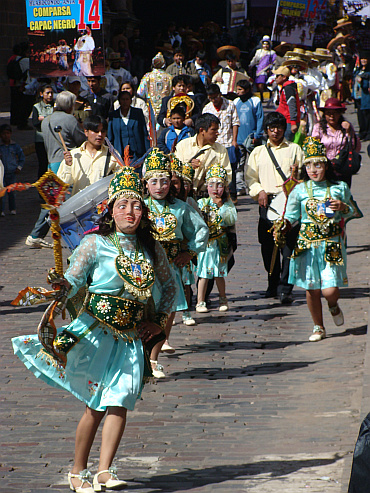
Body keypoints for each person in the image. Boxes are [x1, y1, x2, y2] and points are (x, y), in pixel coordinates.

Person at [12, 166, 177, 492]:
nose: (130, 212)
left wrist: (155, 323)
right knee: (97, 403)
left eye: (137, 206)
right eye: (122, 205)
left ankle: (104, 471)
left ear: (143, 212)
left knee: (121, 401)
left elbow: (170, 288)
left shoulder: (151, 248)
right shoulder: (94, 244)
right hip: (96, 331)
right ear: (111, 210)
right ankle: (78, 470)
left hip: (131, 338)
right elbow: (74, 282)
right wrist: (61, 284)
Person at [143, 148, 208, 378]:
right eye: (154, 181)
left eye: (164, 181)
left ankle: (153, 359)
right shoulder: (139, 207)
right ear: (145, 183)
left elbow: (201, 230)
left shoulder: (181, 209)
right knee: (145, 313)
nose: (159, 186)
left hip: (170, 270)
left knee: (166, 312)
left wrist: (189, 253)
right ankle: (141, 355)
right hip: (143, 270)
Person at [282, 137, 353, 341]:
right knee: (312, 288)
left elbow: (353, 211)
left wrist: (343, 207)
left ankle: (333, 304)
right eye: (309, 165)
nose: (313, 169)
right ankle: (318, 326)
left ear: (325, 165)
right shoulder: (300, 190)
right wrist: (283, 225)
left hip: (331, 244)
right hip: (307, 246)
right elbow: (291, 215)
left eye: (318, 164)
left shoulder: (339, 187)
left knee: (329, 290)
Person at [245, 111, 304, 303]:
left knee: (288, 247)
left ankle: (285, 287)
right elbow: (250, 178)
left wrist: (296, 184)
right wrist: (259, 191)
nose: (276, 131)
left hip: (289, 204)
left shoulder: (295, 149)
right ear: (266, 130)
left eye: (279, 128)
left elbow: (303, 176)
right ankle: (272, 282)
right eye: (271, 128)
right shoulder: (258, 152)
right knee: (267, 245)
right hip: (267, 203)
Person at [25, 91, 86, 249]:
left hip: (51, 164)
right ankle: (74, 235)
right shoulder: (69, 119)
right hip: (67, 165)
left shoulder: (46, 120)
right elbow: (81, 141)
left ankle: (36, 235)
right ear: (69, 105)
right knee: (72, 201)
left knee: (52, 203)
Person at [196, 164, 237, 313]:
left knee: (219, 274)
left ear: (225, 187)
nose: (215, 189)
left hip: (220, 244)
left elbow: (231, 219)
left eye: (219, 185)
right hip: (206, 245)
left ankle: (223, 298)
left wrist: (222, 207)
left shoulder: (227, 205)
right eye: (211, 184)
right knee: (203, 274)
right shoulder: (202, 203)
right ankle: (200, 301)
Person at [57, 115, 121, 196]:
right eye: (96, 131)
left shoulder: (112, 154)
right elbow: (63, 184)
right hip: (80, 204)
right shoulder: (74, 155)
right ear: (86, 132)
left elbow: (121, 180)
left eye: (103, 131)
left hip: (102, 204)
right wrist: (67, 165)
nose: (100, 135)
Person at [175, 113, 232, 196]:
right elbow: (175, 171)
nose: (217, 133)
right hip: (185, 196)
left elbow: (228, 176)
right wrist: (188, 167)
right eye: (213, 130)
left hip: (208, 197)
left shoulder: (220, 150)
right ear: (202, 131)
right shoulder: (183, 145)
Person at [202, 84, 240, 203]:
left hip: (228, 142)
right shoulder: (207, 108)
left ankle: (232, 194)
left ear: (220, 94)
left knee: (230, 169)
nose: (214, 100)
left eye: (215, 97)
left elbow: (235, 123)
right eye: (211, 98)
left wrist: (234, 140)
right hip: (213, 145)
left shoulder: (230, 105)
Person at [312, 98, 361, 187]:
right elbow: (313, 147)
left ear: (340, 113)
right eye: (328, 113)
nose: (332, 116)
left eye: (335, 113)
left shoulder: (346, 127)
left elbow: (355, 147)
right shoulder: (318, 128)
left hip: (343, 168)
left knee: (342, 195)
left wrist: (349, 132)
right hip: (325, 169)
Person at [233, 79, 264, 196]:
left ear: (247, 90)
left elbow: (260, 118)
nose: (238, 92)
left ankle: (255, 187)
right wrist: (234, 139)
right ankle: (240, 187)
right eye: (237, 89)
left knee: (254, 164)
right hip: (239, 139)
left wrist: (257, 135)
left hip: (252, 139)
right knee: (239, 165)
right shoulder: (236, 102)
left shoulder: (255, 101)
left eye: (240, 89)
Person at [107, 91, 149, 165]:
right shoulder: (113, 115)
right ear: (119, 101)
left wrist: (147, 152)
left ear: (130, 101)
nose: (125, 102)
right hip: (119, 154)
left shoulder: (138, 113)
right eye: (123, 99)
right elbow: (110, 137)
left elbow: (144, 133)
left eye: (127, 99)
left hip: (137, 154)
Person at [137, 52, 172, 118]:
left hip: (151, 108)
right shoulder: (169, 77)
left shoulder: (147, 76)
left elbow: (140, 92)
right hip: (165, 109)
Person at [0, 124, 25, 216]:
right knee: (2, 192)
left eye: (7, 133)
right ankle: (1, 210)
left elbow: (22, 158)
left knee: (12, 192)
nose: (6, 135)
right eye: (3, 133)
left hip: (12, 172)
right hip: (1, 173)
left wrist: (19, 167)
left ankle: (12, 209)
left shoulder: (15, 146)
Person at [31, 84, 54, 178]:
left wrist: (43, 118)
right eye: (47, 93)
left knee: (53, 164)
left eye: (51, 93)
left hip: (53, 139)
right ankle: (41, 189)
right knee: (43, 164)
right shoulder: (37, 107)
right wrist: (49, 118)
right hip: (41, 140)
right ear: (41, 94)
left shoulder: (55, 105)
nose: (50, 95)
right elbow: (35, 122)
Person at [273, 66, 300, 141]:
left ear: (284, 77)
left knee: (286, 143)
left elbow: (292, 105)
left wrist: (293, 123)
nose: (276, 78)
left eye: (277, 76)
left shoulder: (288, 89)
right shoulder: (285, 87)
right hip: (285, 120)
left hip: (289, 122)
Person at [249, 35, 277, 101]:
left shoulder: (272, 53)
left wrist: (271, 68)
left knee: (269, 83)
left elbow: (274, 62)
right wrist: (250, 65)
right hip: (260, 70)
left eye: (267, 44)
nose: (265, 46)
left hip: (268, 70)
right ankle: (261, 96)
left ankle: (270, 95)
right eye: (264, 44)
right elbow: (255, 60)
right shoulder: (258, 52)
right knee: (260, 83)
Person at [352, 52, 370, 141]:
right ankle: (362, 132)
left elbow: (367, 85)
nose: (363, 60)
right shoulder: (358, 70)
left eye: (365, 59)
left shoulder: (368, 72)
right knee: (360, 115)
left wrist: (363, 81)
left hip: (365, 96)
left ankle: (367, 133)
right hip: (357, 96)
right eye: (362, 59)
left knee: (366, 115)